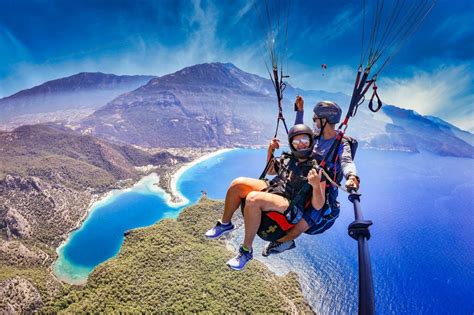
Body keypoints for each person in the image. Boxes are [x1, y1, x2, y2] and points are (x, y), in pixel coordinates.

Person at [205, 124, 325, 270]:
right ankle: (225, 224)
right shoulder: (288, 158)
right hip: (276, 190)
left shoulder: (316, 170)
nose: (301, 145)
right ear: (291, 144)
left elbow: (318, 205)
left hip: (291, 205)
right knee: (237, 184)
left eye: (304, 140)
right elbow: (271, 170)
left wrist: (316, 185)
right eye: (296, 141)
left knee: (253, 199)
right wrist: (270, 150)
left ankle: (246, 251)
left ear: (311, 141)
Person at [262, 96, 360, 256]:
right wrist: (299, 111)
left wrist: (351, 176)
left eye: (315, 119)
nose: (313, 121)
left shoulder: (341, 143)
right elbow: (299, 134)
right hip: (303, 183)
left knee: (302, 224)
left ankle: (281, 243)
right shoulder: (315, 137)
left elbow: (346, 160)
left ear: (325, 120)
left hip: (323, 193)